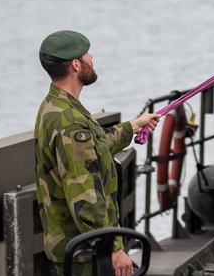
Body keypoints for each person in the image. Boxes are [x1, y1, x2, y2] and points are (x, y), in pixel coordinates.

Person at [34, 30, 160, 276]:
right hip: (87, 253)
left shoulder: (55, 106)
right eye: (87, 54)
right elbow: (85, 194)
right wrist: (113, 248)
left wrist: (133, 126)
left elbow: (92, 148)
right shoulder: (70, 122)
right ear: (76, 65)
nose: (92, 57)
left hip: (78, 245)